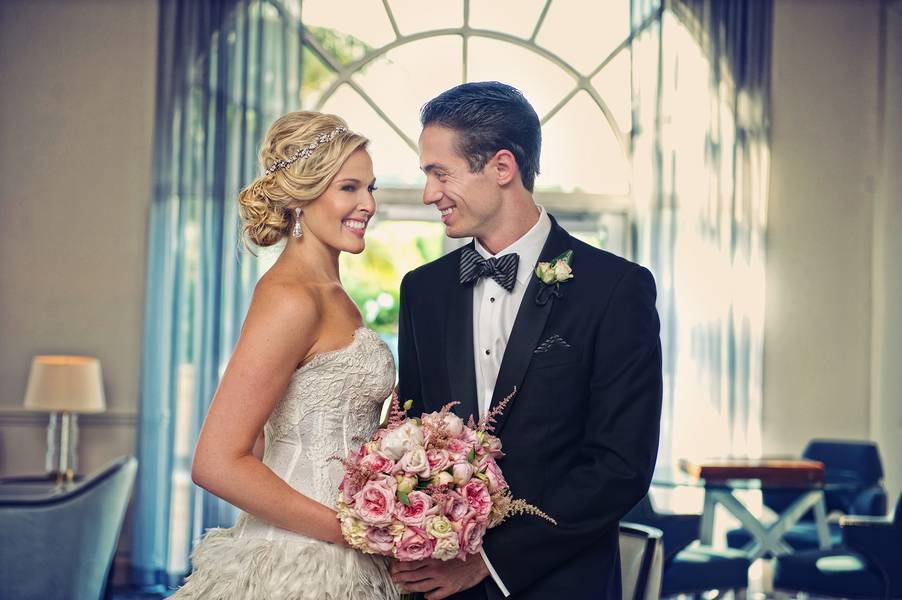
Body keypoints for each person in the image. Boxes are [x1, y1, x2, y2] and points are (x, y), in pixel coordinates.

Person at [392, 82, 663, 600]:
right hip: (440, 587)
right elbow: (417, 434)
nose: (429, 194)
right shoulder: (422, 291)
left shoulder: (614, 289)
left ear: (501, 167)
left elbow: (620, 466)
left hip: (564, 584)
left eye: (440, 173)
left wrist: (489, 561)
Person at [170, 111, 398, 599]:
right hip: (304, 560)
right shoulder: (291, 296)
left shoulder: (332, 293)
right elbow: (216, 461)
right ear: (300, 198)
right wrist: (349, 531)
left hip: (345, 550)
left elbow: (260, 440)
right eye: (349, 188)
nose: (369, 204)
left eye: (370, 188)